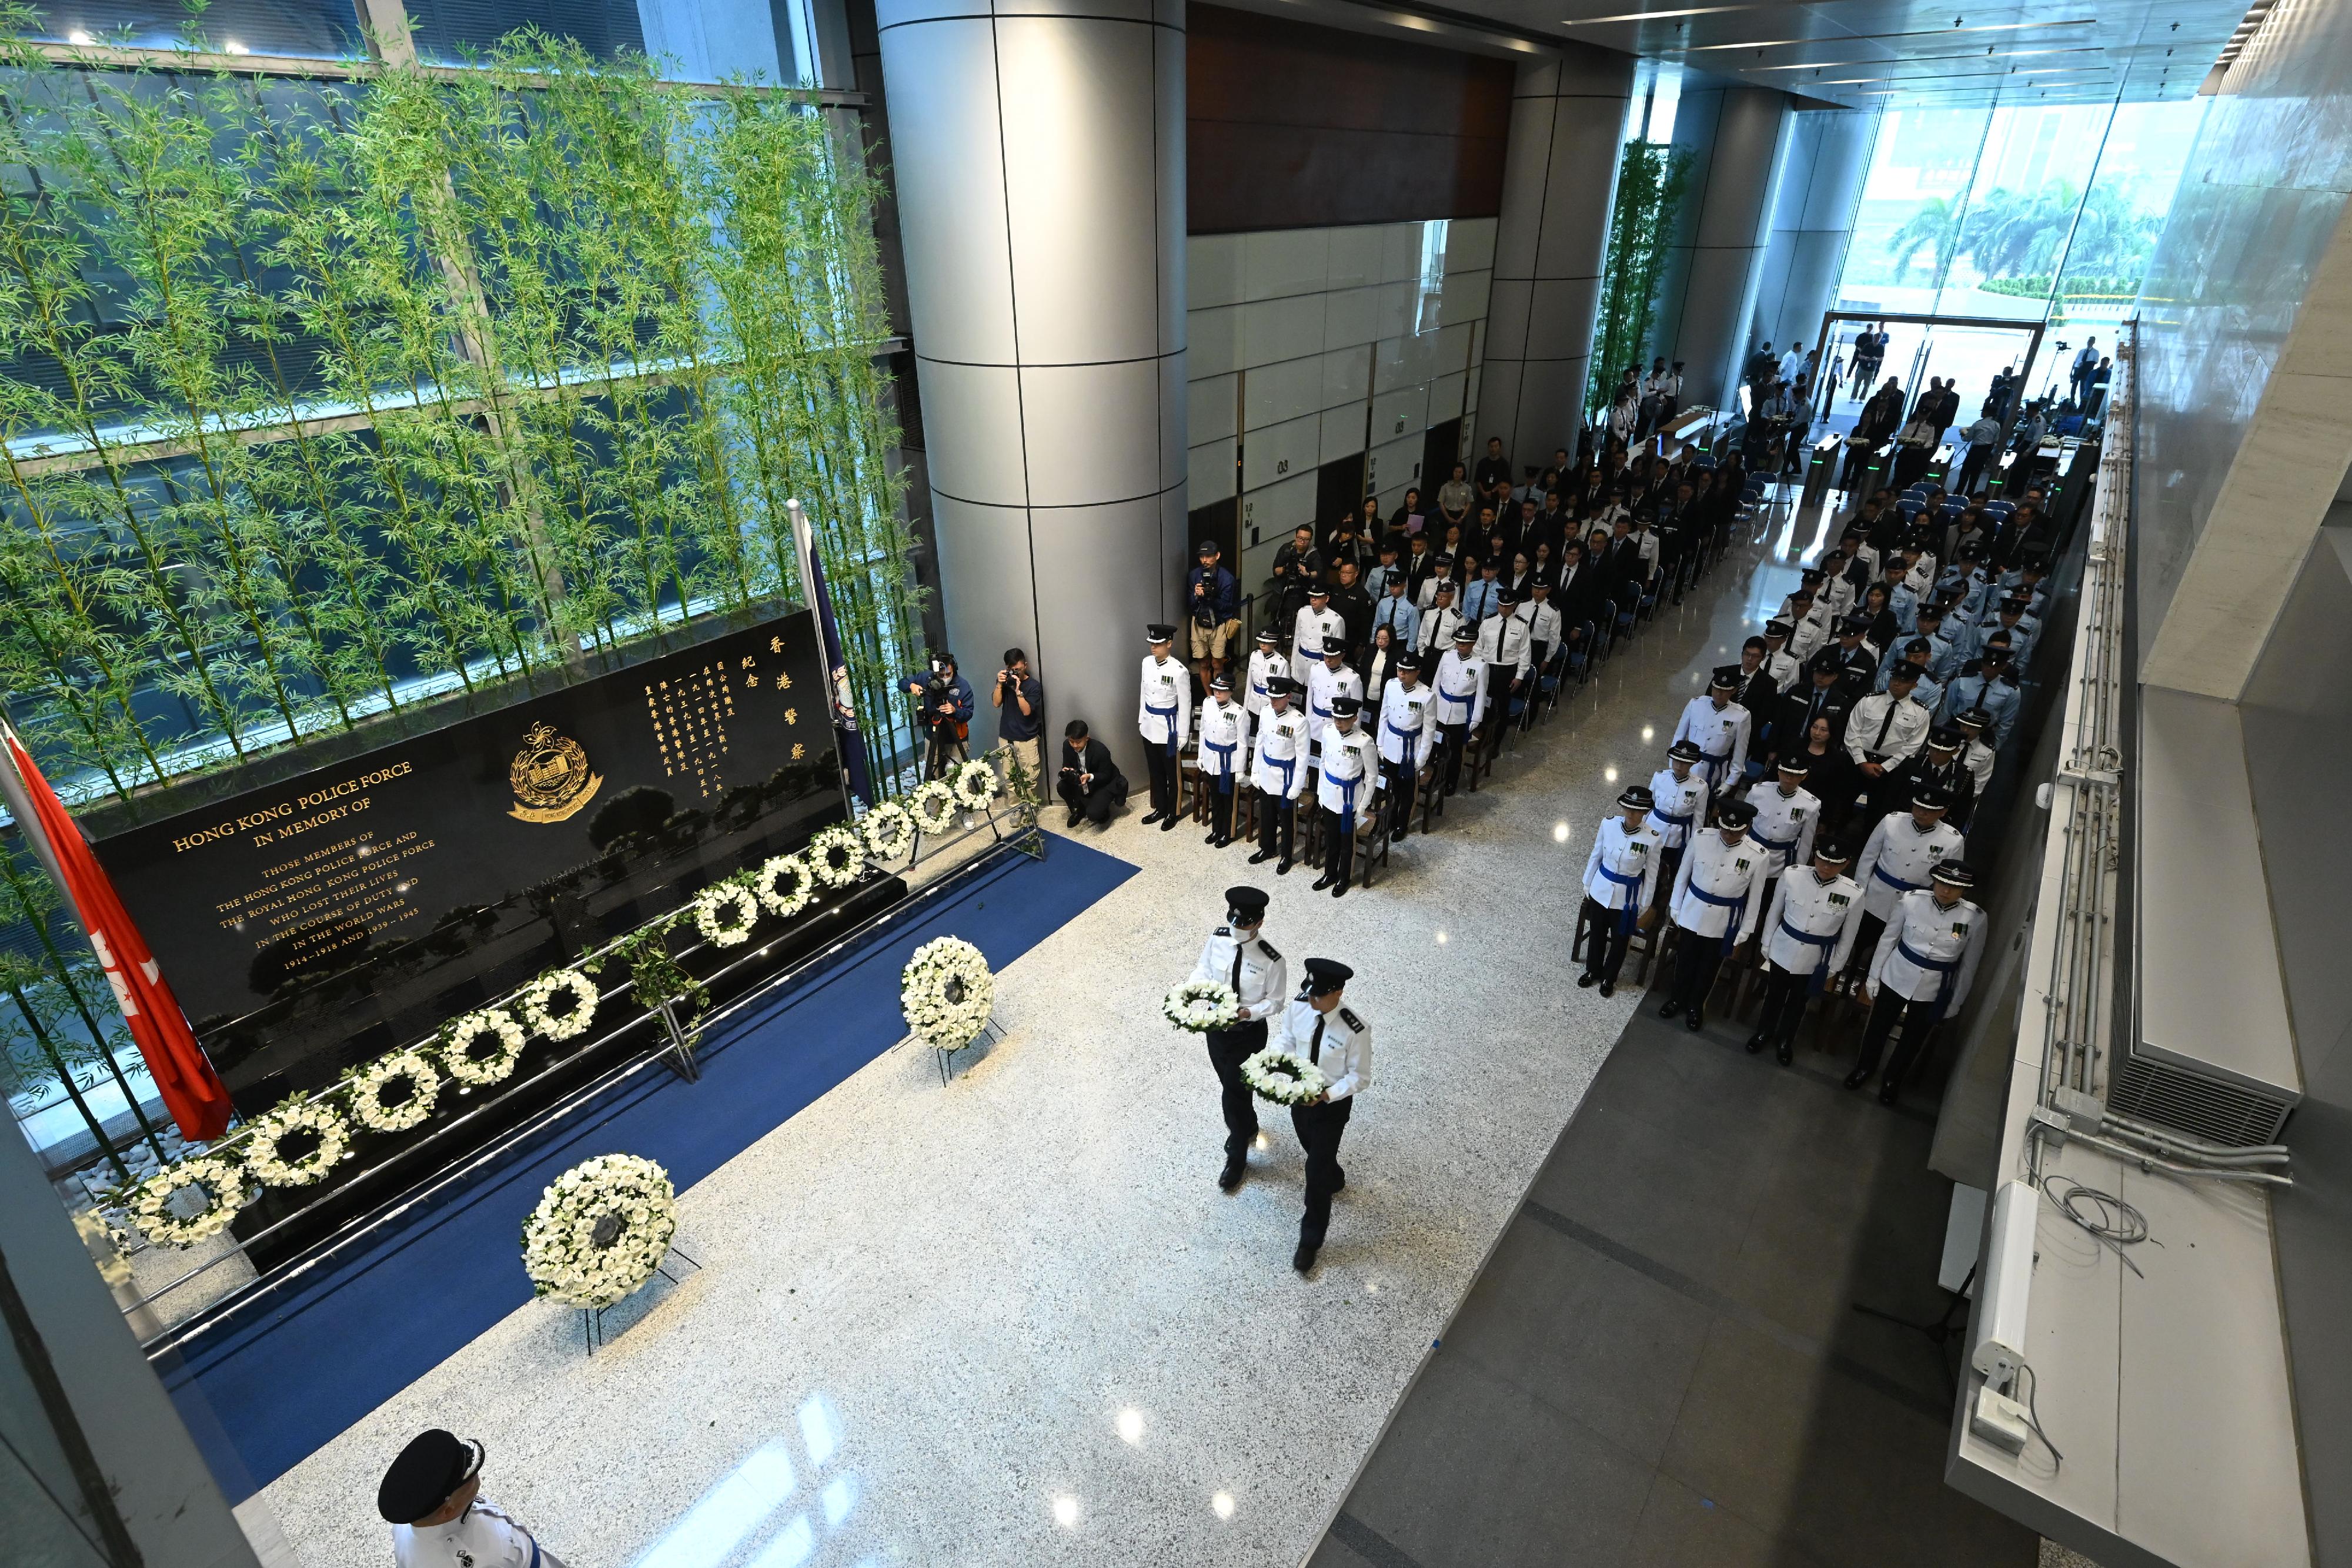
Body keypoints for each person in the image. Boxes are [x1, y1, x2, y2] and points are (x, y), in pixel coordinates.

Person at [1847, 860, 1986, 1103]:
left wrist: (1956, 1001)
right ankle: (1864, 1067)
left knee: (1913, 1038)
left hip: (1934, 987)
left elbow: (1969, 965)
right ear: (1934, 880)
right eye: (1942, 883)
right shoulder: (1911, 901)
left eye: (1954, 887)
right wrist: (1874, 975)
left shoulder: (1975, 918)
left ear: (1965, 890)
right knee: (1878, 1027)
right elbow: (1888, 939)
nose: (1946, 890)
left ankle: (1893, 1079)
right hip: (1898, 974)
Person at [1274, 957, 1370, 1272]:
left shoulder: (1355, 1029)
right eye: (1310, 992)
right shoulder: (1300, 1008)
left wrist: (1327, 1095)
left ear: (1338, 992)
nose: (1312, 999)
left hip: (1331, 1106)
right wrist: (1278, 1063)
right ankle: (1335, 1176)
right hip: (1299, 1099)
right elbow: (1286, 1039)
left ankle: (1310, 1240)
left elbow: (1360, 1077)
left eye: (1319, 995)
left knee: (1314, 1172)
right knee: (1312, 1150)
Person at [1191, 885, 1287, 1190]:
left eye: (1244, 923)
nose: (1237, 928)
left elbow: (1276, 1001)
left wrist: (1247, 1013)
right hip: (1216, 1031)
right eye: (1233, 920)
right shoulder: (1218, 939)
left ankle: (1237, 1153)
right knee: (1232, 1084)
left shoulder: (1272, 959)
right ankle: (1248, 1124)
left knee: (1234, 1089)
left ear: (1259, 923)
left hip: (1248, 1035)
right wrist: (1192, 991)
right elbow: (1203, 970)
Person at [1747, 840, 1866, 1064]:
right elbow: (1775, 912)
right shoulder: (1792, 876)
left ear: (1846, 864)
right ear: (1815, 856)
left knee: (1798, 1002)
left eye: (1834, 863)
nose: (1827, 866)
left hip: (1816, 958)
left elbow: (1849, 936)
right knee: (1774, 995)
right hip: (1784, 947)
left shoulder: (1853, 893)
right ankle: (1764, 1032)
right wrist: (1767, 943)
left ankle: (1786, 1040)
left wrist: (1835, 965)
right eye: (1823, 859)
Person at [380, 1429, 567, 1568]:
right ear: (448, 1510)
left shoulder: (410, 1520)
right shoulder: (487, 1559)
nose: (477, 1478)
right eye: (469, 1479)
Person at [1658, 798, 1766, 1031]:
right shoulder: (1702, 838)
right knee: (1685, 959)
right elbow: (1683, 875)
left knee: (1709, 966)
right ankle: (1676, 998)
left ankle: (1696, 1005)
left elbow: (1755, 898)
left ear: (1747, 828)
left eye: (1734, 831)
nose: (1727, 834)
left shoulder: (1757, 855)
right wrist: (1675, 908)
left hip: (1724, 921)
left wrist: (1745, 930)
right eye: (1725, 828)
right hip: (1693, 911)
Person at [1847, 785, 1965, 979]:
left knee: (1891, 952)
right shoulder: (1892, 822)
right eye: (1919, 807)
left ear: (1943, 812)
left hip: (1914, 905)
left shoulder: (1952, 841)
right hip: (1875, 898)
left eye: (1930, 810)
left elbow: (1949, 881)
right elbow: (1868, 859)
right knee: (1857, 943)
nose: (1922, 813)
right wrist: (1860, 892)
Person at [1578, 785, 1662, 997]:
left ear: (1645, 813)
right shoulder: (1609, 825)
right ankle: (1593, 970)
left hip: (1627, 897)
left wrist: (1644, 903)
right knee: (1597, 933)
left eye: (1637, 810)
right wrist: (1588, 882)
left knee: (1620, 939)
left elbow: (1651, 875)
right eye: (1628, 809)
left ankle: (1609, 977)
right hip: (1601, 889)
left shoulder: (1652, 838)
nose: (1631, 814)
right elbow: (1596, 855)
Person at [1314, 696, 1379, 898]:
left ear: (1355, 718)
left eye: (1344, 718)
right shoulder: (1328, 732)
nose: (1339, 722)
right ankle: (1329, 874)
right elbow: (1323, 762)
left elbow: (1372, 775)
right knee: (1331, 838)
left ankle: (1344, 877)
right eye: (1336, 718)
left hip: (1350, 799)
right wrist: (1320, 791)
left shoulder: (1364, 741)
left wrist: (1363, 805)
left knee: (1346, 842)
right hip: (1330, 794)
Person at [1248, 677, 1309, 872]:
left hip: (1286, 778)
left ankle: (1286, 855)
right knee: (1266, 814)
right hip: (1267, 772)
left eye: (1278, 698)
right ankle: (1267, 848)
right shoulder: (1266, 712)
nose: (1273, 701)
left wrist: (1297, 785)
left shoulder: (1299, 722)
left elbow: (1302, 757)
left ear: (1289, 697)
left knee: (1287, 819)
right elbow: (1260, 742)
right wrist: (1255, 770)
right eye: (1271, 697)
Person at [1376, 651, 1437, 840]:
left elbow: (1429, 730)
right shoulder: (1391, 686)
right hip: (1391, 745)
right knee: (1391, 787)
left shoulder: (1427, 696)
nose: (1401, 674)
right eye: (1399, 669)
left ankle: (1402, 824)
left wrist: (1422, 757)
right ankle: (1390, 819)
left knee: (1407, 791)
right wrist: (1380, 744)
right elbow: (1384, 716)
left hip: (1411, 750)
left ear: (1417, 672)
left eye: (1407, 671)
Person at [1137, 624, 1190, 831]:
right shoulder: (1146, 663)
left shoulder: (1179, 671)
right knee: (1155, 771)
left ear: (1169, 644)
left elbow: (1185, 705)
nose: (1153, 647)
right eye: (1152, 643)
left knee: (1172, 774)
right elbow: (1143, 691)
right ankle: (1160, 807)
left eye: (1158, 644)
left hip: (1169, 730)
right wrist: (1141, 719)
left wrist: (1183, 734)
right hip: (1149, 726)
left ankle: (1173, 811)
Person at [1646, 738, 1710, 897]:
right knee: (1646, 866)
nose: (1679, 766)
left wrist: (1694, 844)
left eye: (1684, 763)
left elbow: (1698, 819)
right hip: (1654, 829)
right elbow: (1648, 806)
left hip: (1677, 838)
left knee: (1668, 872)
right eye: (1677, 761)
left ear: (1692, 764)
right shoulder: (1660, 777)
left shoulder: (1700, 787)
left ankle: (1660, 902)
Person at [1671, 667, 1752, 790]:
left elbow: (1740, 752)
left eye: (1725, 690)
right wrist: (1673, 765)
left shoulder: (1741, 716)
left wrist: (1730, 783)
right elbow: (1679, 737)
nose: (1719, 693)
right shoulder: (1696, 704)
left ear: (1734, 691)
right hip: (1688, 767)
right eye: (1716, 688)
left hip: (1715, 773)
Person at [1431, 621, 1486, 795]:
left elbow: (1481, 695)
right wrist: (1432, 707)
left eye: (1464, 643)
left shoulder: (1481, 665)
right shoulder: (1447, 656)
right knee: (1437, 747)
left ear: (1473, 644)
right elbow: (1436, 683)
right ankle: (1435, 778)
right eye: (1458, 642)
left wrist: (1476, 718)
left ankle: (1451, 781)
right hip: (1441, 710)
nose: (1460, 646)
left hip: (1461, 714)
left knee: (1454, 751)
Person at [1195, 671, 1250, 847]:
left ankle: (1228, 832)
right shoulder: (1208, 704)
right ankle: (1216, 830)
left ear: (1231, 691)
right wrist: (1201, 755)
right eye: (1216, 689)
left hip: (1229, 763)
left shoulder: (1239, 713)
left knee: (1228, 800)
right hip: (1212, 759)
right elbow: (1203, 732)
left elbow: (1242, 743)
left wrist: (1240, 769)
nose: (1217, 693)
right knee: (1215, 798)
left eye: (1222, 690)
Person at [901, 652, 974, 781]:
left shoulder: (963, 685)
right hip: (933, 735)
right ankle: (935, 801)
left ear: (954, 669)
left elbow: (968, 713)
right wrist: (912, 686)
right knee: (933, 780)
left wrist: (954, 711)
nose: (945, 678)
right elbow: (902, 683)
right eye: (941, 675)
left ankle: (963, 801)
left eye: (948, 674)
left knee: (960, 779)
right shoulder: (926, 678)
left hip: (957, 738)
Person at [990, 648, 1044, 804]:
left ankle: (1030, 809)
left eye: (1018, 670)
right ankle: (1016, 808)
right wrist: (1000, 684)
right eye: (1011, 669)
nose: (1015, 673)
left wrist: (1018, 691)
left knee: (1030, 777)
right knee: (1010, 778)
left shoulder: (1034, 686)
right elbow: (996, 703)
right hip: (1006, 738)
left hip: (1027, 739)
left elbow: (1027, 712)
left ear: (1025, 666)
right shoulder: (1004, 682)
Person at [1187, 539, 1241, 691]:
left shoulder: (1227, 579)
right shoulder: (1194, 576)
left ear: (1217, 556)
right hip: (1198, 623)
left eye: (1209, 556)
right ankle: (1209, 696)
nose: (1204, 560)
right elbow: (1189, 604)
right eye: (1202, 557)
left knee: (1217, 663)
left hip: (1218, 623)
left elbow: (1227, 607)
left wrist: (1210, 598)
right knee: (1203, 663)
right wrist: (1197, 596)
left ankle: (1219, 693)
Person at [1057, 719, 1124, 828]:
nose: (1074, 745)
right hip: (1081, 781)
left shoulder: (1100, 750)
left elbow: (1106, 776)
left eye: (1078, 742)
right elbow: (1066, 764)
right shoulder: (1067, 746)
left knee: (1095, 814)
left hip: (1101, 783)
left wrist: (1090, 777)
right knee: (1061, 787)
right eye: (1071, 741)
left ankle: (1103, 810)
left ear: (1087, 738)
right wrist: (1068, 771)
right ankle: (1078, 810)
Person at [1304, 639, 1362, 750]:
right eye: (1326, 655)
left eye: (1333, 657)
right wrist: (1308, 723)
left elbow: (1358, 711)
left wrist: (1353, 736)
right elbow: (1309, 698)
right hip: (1315, 727)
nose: (1328, 660)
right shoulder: (1316, 669)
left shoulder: (1352, 678)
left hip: (1337, 729)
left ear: (1342, 656)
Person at [1291, 583, 1345, 691]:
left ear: (1327, 598)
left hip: (1321, 665)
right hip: (1301, 663)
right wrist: (1293, 663)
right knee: (1300, 696)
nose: (1313, 600)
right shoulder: (1303, 612)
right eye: (1312, 596)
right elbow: (1297, 639)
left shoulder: (1336, 620)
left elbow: (1338, 650)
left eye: (1318, 597)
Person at [1242, 626, 1284, 724]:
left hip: (1269, 705)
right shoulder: (1255, 655)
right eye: (1261, 641)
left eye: (1266, 642)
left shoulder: (1281, 663)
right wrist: (1245, 707)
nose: (1262, 645)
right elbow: (1249, 684)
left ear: (1275, 643)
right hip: (1253, 704)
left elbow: (1283, 692)